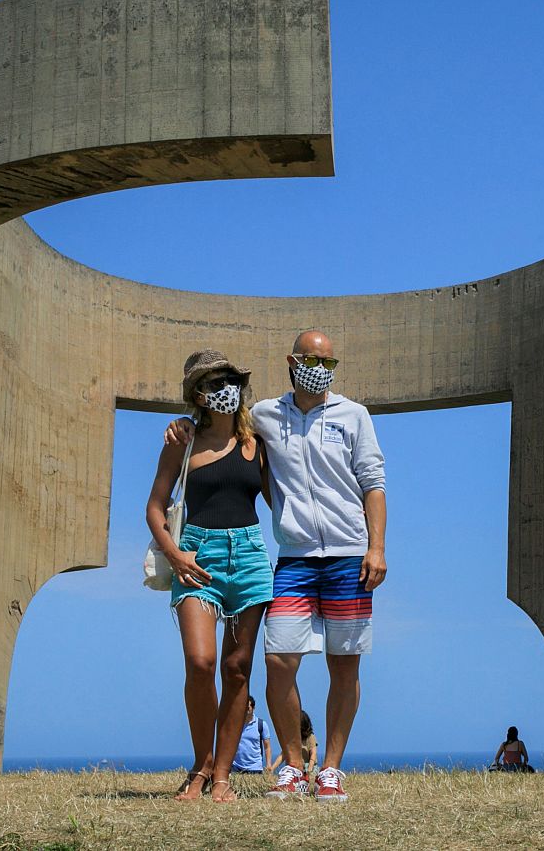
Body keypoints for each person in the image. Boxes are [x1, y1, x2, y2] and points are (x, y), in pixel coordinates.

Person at [167, 330, 387, 803]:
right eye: (311, 359)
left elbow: (373, 481)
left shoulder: (355, 415)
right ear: (292, 360)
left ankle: (329, 769)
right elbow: (213, 426)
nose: (320, 368)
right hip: (294, 558)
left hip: (350, 554)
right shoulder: (266, 415)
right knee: (278, 661)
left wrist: (377, 548)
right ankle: (292, 765)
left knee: (343, 665)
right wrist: (181, 425)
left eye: (328, 362)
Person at [147, 350, 273, 804]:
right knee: (200, 664)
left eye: (230, 378)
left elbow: (283, 501)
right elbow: (156, 506)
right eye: (214, 381)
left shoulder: (258, 442)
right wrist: (175, 554)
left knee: (237, 669)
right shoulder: (182, 439)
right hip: (197, 556)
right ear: (198, 394)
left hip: (252, 556)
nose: (225, 387)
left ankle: (222, 775)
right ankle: (199, 767)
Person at [233, 696, 277, 776]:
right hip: (236, 767)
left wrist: (268, 765)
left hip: (255, 768)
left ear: (253, 708)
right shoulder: (235, 724)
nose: (245, 710)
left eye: (248, 707)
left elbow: (267, 747)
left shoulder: (261, 725)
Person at [299, 710, 319, 775]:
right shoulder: (293, 739)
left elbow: (313, 753)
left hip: (310, 766)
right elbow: (284, 754)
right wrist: (272, 767)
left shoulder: (310, 737)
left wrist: (309, 769)